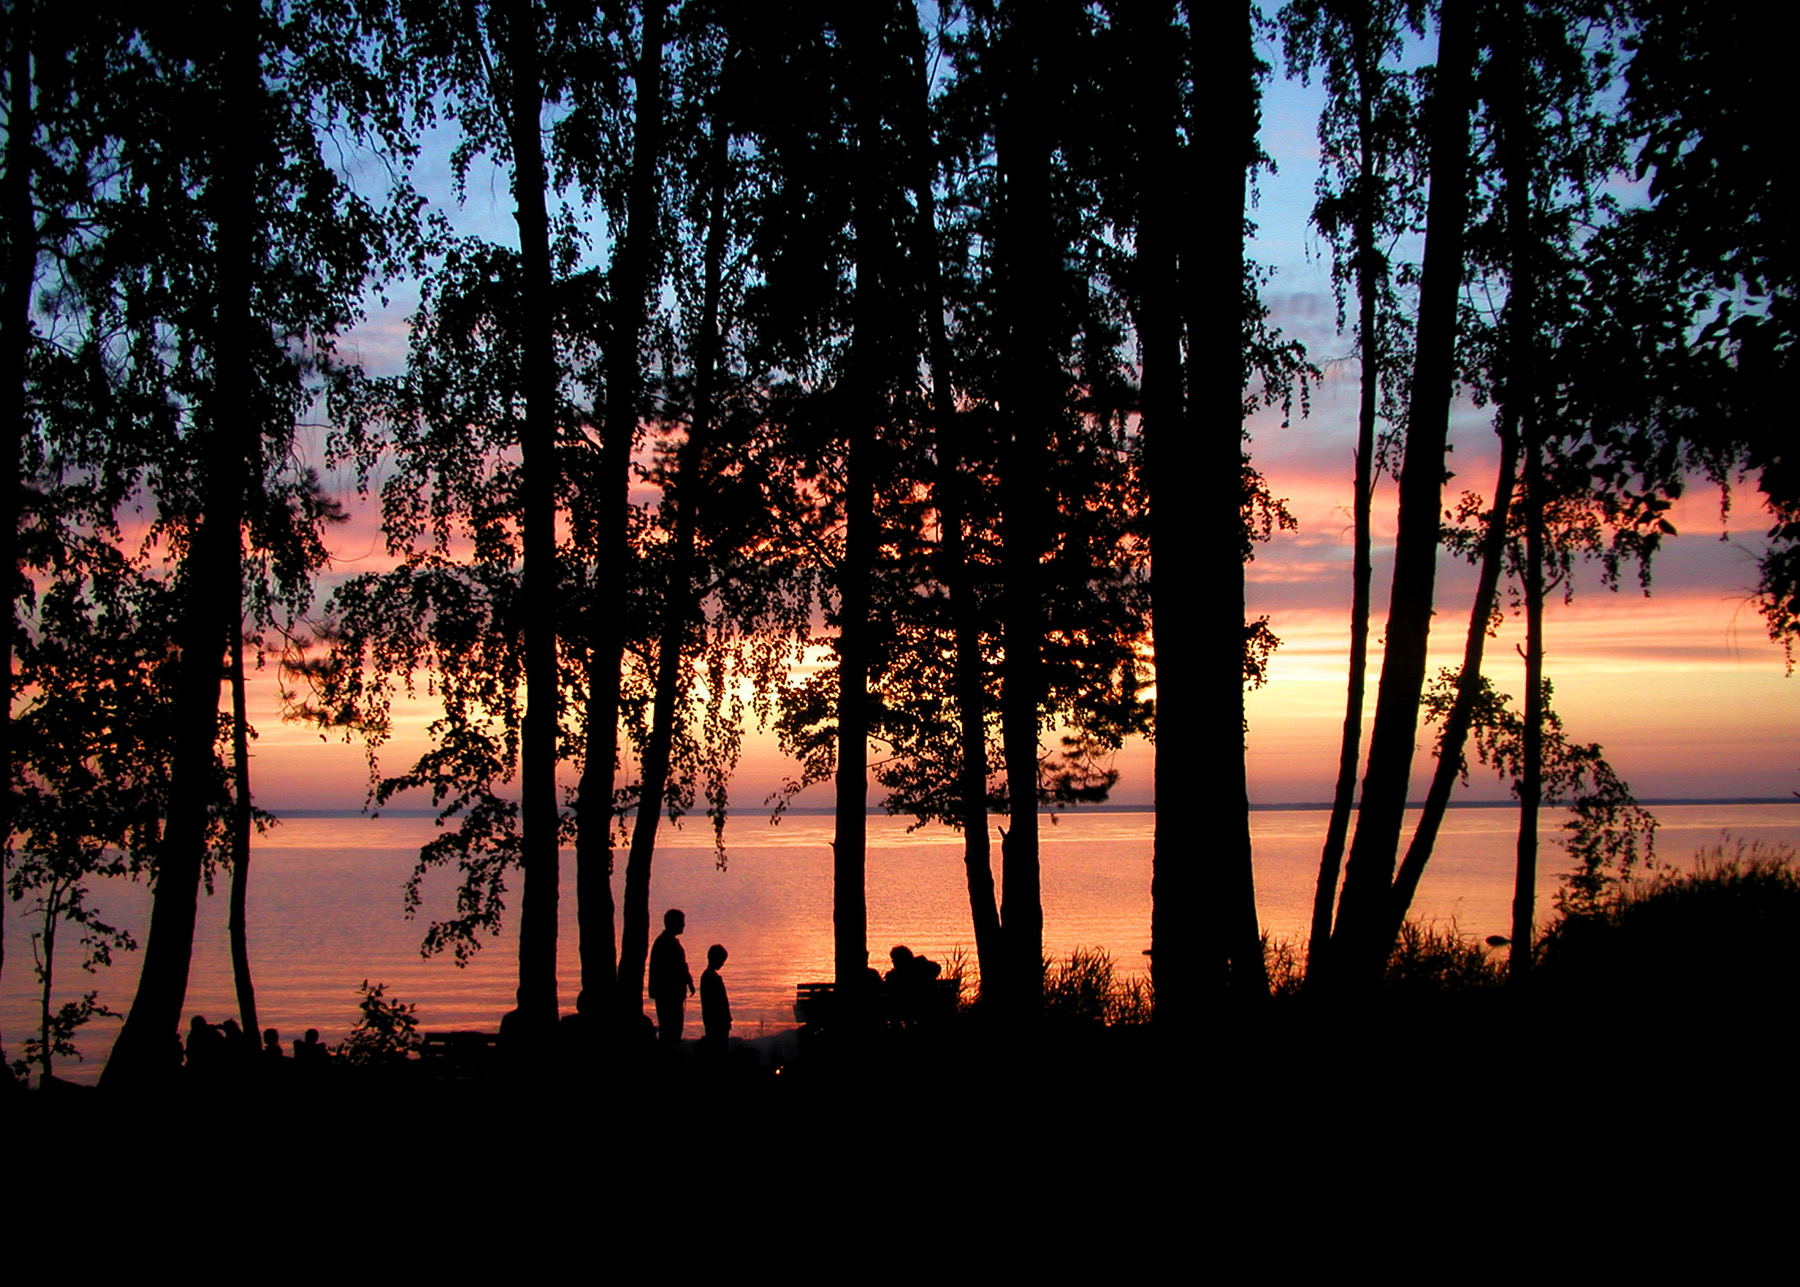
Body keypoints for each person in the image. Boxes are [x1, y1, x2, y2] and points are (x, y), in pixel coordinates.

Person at [647, 908, 694, 1050]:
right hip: (668, 995)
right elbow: (665, 969)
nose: (684, 925)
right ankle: (667, 1056)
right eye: (681, 922)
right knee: (669, 1029)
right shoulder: (664, 943)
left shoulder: (671, 942)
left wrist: (689, 981)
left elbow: (681, 965)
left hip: (674, 994)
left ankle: (670, 1052)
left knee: (674, 1028)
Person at [700, 944, 730, 1061]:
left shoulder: (706, 977)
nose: (722, 964)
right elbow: (720, 1003)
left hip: (712, 1021)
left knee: (717, 1051)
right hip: (717, 1022)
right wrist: (726, 1019)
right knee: (719, 1052)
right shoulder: (712, 978)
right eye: (722, 961)